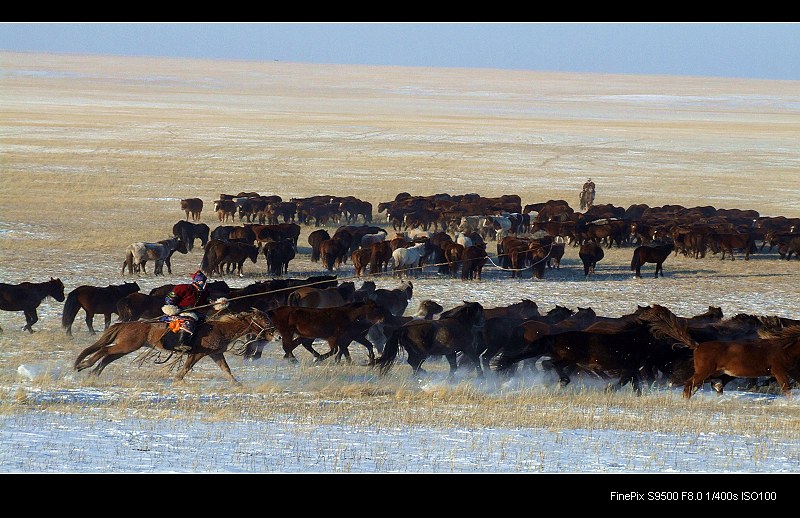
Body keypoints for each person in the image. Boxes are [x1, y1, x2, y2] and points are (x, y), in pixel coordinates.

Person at [160, 270, 226, 352]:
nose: (204, 283)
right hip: (180, 312)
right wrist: (172, 309)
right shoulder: (183, 288)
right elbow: (170, 298)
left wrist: (219, 302)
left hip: (195, 313)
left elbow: (209, 301)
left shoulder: (203, 293)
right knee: (188, 321)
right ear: (197, 281)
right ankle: (181, 343)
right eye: (203, 281)